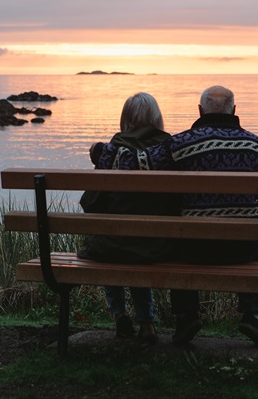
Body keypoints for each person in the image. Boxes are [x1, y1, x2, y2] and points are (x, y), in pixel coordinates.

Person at [90, 85, 258, 347]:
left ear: (200, 110)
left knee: (177, 240)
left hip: (195, 250)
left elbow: (134, 163)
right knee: (257, 235)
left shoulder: (181, 144)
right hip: (245, 251)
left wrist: (98, 151)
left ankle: (187, 315)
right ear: (235, 111)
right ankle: (253, 313)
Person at [78, 92, 180, 344]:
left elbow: (89, 202)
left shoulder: (110, 153)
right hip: (156, 246)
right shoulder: (169, 151)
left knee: (110, 242)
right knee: (137, 244)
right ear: (157, 118)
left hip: (110, 247)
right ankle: (146, 323)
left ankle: (119, 314)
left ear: (125, 119)